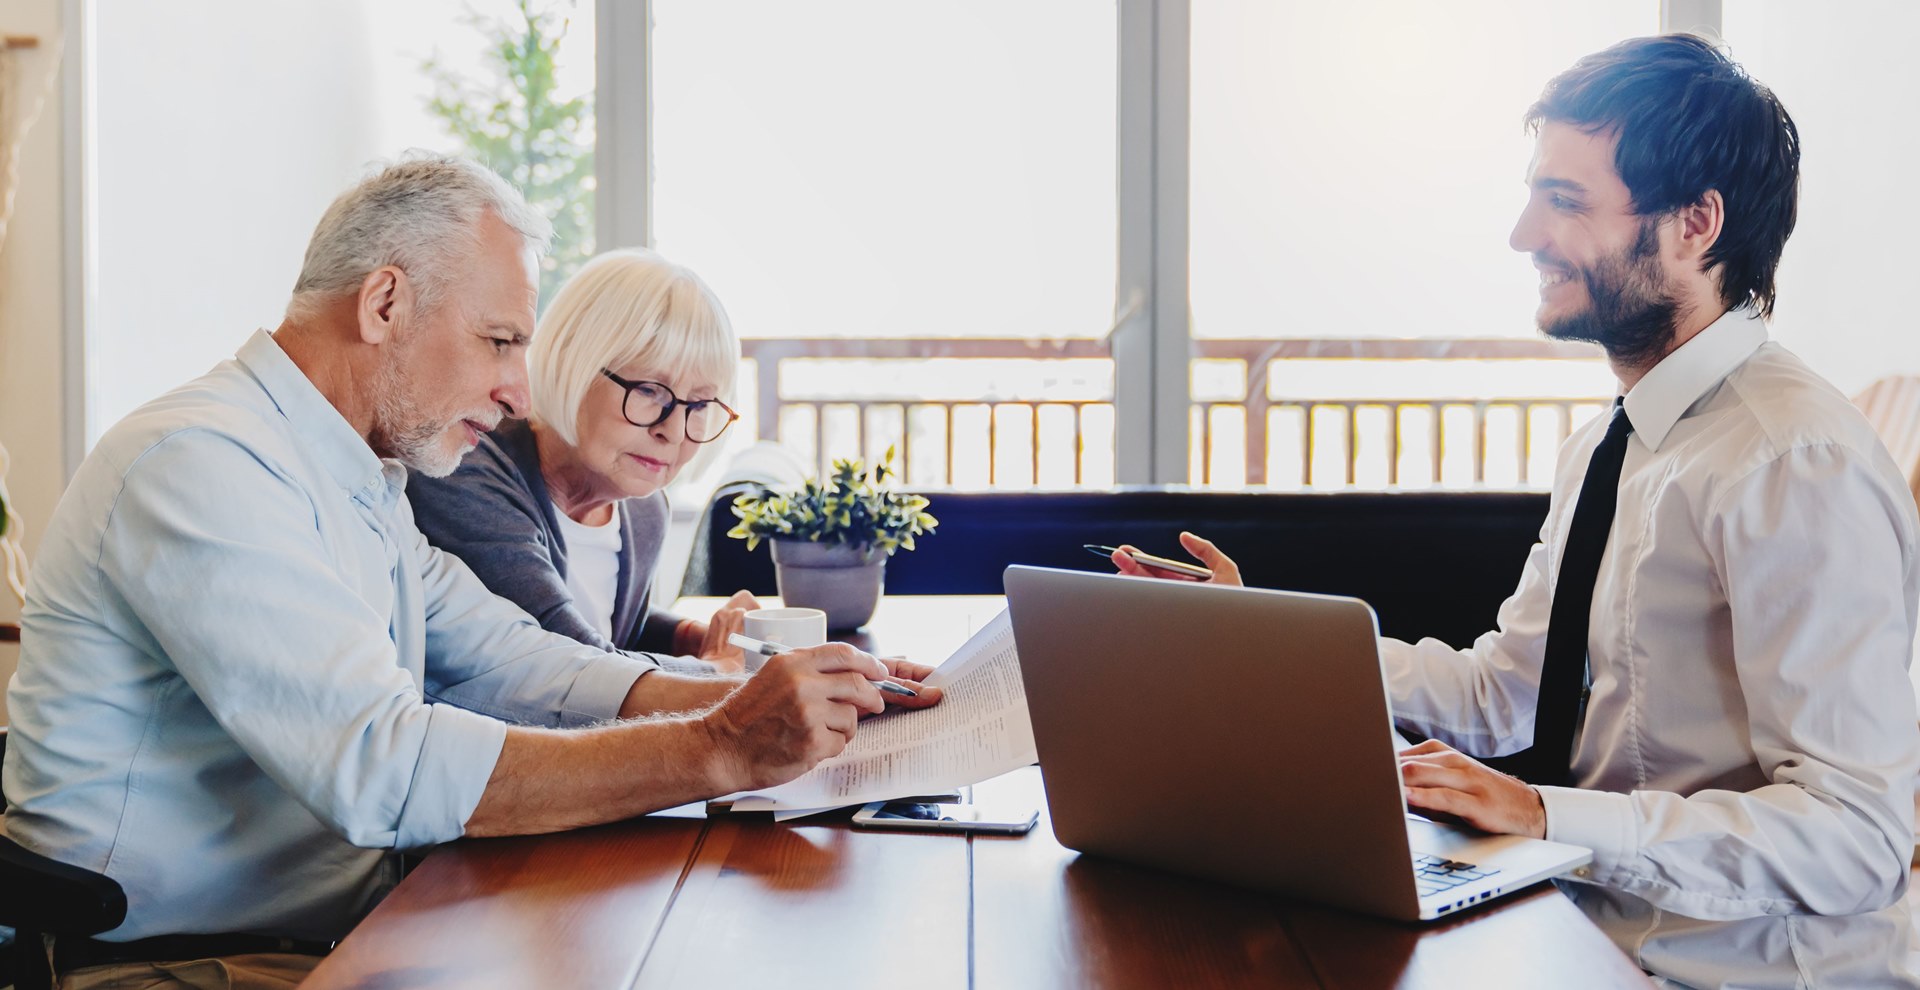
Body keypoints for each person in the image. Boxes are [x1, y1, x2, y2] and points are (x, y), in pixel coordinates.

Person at [1, 155, 940, 989]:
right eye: (500, 340)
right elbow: (382, 766)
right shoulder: (204, 463)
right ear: (384, 305)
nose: (520, 389)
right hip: (177, 963)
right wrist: (723, 745)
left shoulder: (359, 476)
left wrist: (769, 694)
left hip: (341, 925)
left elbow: (518, 661)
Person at [1116, 36, 1919, 988]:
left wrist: (1544, 818)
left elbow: (1857, 836)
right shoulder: (1615, 442)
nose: (1524, 235)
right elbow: (1507, 693)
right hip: (1590, 924)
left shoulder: (1794, 462)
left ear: (1696, 224)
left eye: (1566, 202)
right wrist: (1257, 638)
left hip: (1728, 971)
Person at [407, 248, 757, 675]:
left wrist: (697, 637)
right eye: (648, 390)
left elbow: (607, 628)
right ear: (574, 362)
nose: (675, 430)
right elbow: (570, 663)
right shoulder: (468, 475)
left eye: (700, 404)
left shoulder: (644, 511)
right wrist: (716, 670)